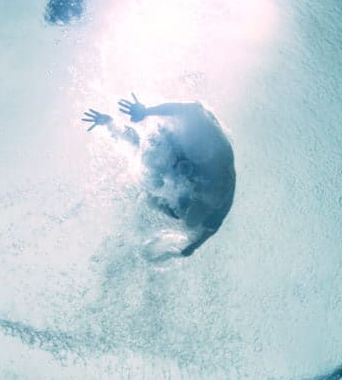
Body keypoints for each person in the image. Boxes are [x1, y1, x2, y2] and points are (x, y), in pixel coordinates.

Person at [83, 94, 235, 257]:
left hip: (186, 176)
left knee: (180, 212)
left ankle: (163, 202)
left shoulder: (206, 195)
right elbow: (191, 108)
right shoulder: (209, 151)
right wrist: (145, 112)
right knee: (153, 160)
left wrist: (193, 246)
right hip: (181, 140)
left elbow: (213, 226)